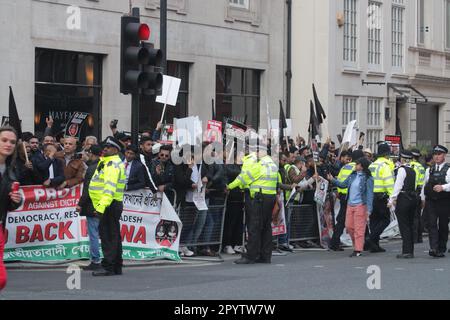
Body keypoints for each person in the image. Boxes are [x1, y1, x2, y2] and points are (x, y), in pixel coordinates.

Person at [230, 143, 279, 264]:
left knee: (254, 227)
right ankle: (265, 255)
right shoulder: (272, 164)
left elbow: (245, 178)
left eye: (257, 152)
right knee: (266, 227)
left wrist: (229, 186)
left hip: (260, 197)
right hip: (270, 197)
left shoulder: (260, 164)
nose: (255, 155)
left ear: (261, 152)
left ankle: (250, 256)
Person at [89, 136, 126, 276]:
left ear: (115, 150)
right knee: (114, 235)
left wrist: (100, 207)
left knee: (108, 237)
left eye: (108, 147)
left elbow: (109, 189)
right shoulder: (110, 162)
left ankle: (108, 267)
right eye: (104, 146)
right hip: (111, 204)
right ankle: (116, 266)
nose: (104, 149)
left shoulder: (111, 165)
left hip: (108, 205)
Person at [329, 157, 374, 257]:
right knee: (349, 227)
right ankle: (357, 245)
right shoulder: (352, 175)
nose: (355, 165)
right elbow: (343, 185)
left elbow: (370, 194)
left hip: (360, 205)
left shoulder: (368, 178)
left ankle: (358, 250)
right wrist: (333, 180)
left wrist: (369, 209)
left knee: (359, 228)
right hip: (350, 204)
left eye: (357, 164)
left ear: (362, 167)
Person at [0, 127, 23, 291]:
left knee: (1, 279)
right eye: (4, 140)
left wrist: (16, 200)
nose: (8, 144)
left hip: (1, 226)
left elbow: (10, 204)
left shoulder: (11, 170)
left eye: (12, 142)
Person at [329, 150, 364, 251]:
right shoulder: (357, 168)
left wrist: (340, 193)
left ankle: (335, 242)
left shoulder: (345, 167)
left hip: (343, 195)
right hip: (352, 196)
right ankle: (335, 243)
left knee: (341, 220)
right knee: (358, 220)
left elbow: (339, 181)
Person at [76, 144, 102, 271]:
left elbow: (87, 190)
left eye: (87, 152)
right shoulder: (104, 166)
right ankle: (106, 258)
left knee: (93, 234)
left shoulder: (92, 169)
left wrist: (80, 204)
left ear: (91, 153)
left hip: (92, 205)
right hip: (103, 204)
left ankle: (96, 260)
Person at [421, 145, 450, 258]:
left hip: (444, 201)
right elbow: (425, 185)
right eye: (435, 154)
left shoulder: (448, 169)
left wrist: (443, 187)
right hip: (431, 201)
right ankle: (434, 248)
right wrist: (422, 199)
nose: (436, 157)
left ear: (444, 155)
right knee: (432, 224)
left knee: (443, 224)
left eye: (439, 154)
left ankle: (441, 247)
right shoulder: (429, 170)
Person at [366, 143, 395, 253]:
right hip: (381, 197)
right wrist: (393, 197)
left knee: (374, 220)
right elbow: (389, 182)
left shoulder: (372, 165)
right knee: (386, 220)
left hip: (371, 197)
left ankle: (375, 245)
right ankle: (372, 238)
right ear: (387, 155)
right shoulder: (385, 166)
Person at [388, 150, 417, 259]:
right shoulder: (413, 170)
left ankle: (406, 251)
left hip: (404, 198)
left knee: (404, 225)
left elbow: (398, 186)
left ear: (402, 159)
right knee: (409, 224)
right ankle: (410, 250)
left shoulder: (401, 170)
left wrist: (391, 200)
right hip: (412, 198)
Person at [410, 148, 425, 243]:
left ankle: (414, 237)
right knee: (418, 216)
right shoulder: (421, 167)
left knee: (412, 216)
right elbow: (422, 182)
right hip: (419, 193)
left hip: (412, 192)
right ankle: (419, 237)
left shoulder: (410, 166)